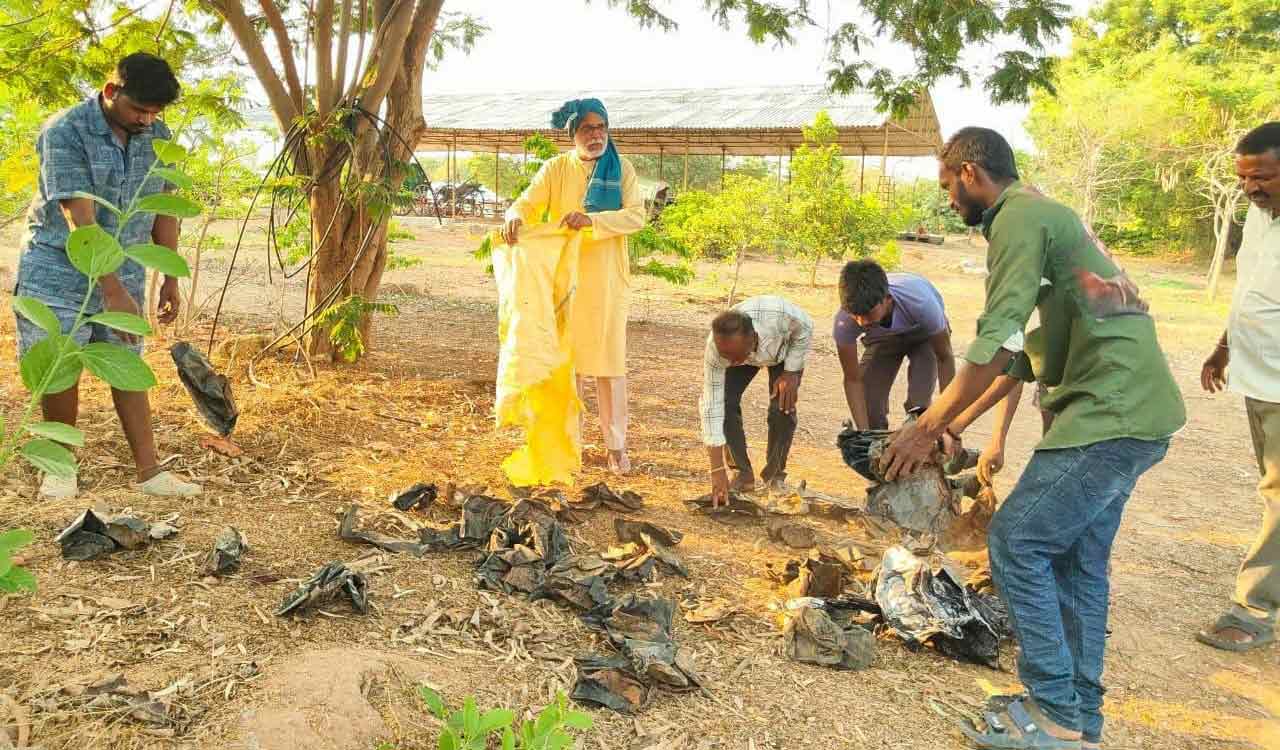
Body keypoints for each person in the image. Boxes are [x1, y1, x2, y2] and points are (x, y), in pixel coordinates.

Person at [879, 127, 1185, 750]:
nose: (947, 201)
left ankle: (1053, 715)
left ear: (969, 171)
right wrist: (957, 424)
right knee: (1077, 563)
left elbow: (995, 339)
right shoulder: (1048, 215)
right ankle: (1077, 720)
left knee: (1017, 542)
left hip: (1109, 413)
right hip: (1137, 412)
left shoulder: (1020, 216)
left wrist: (923, 429)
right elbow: (1021, 357)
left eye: (946, 186)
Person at [13, 52, 201, 500]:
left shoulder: (158, 135)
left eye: (155, 112)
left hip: (125, 276)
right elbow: (80, 216)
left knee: (128, 367)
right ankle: (59, 470)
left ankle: (150, 472)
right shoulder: (65, 131)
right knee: (60, 369)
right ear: (111, 92)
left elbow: (161, 209)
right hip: (56, 271)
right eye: (139, 109)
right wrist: (111, 289)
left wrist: (168, 277)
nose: (147, 119)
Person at [502, 98, 645, 474]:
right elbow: (525, 204)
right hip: (564, 282)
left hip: (607, 282)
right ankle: (570, 446)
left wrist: (593, 221)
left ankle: (616, 447)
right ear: (574, 134)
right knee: (568, 367)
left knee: (609, 367)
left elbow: (636, 216)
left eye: (601, 128)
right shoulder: (555, 169)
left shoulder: (622, 168)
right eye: (587, 129)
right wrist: (515, 216)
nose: (596, 135)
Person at [1197, 121, 1280, 652]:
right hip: (1260, 378)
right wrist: (1225, 345)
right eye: (1244, 178)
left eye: (1263, 177)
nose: (1251, 188)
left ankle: (1255, 608)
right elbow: (1252, 285)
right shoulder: (1257, 215)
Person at [700, 296, 813, 504]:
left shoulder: (782, 318)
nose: (730, 362)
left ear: (752, 338)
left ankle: (775, 476)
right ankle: (742, 474)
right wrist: (716, 469)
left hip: (782, 352)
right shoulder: (719, 352)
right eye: (725, 355)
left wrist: (791, 371)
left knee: (782, 407)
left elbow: (806, 328)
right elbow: (711, 406)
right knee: (724, 403)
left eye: (734, 356)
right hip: (746, 351)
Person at [834, 259, 955, 430]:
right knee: (869, 405)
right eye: (856, 315)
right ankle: (877, 448)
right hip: (883, 337)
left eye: (868, 313)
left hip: (924, 335)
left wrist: (947, 422)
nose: (861, 322)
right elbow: (853, 380)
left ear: (887, 299)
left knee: (918, 406)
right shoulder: (844, 321)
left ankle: (914, 444)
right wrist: (864, 433)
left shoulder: (922, 303)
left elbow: (945, 358)